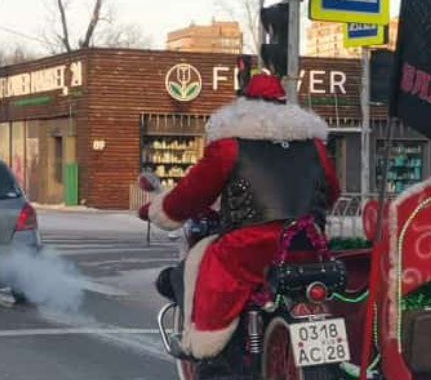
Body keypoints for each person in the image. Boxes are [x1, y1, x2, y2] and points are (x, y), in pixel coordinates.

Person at [140, 73, 340, 358]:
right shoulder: (315, 147)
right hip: (306, 241)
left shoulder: (229, 146)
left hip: (248, 245)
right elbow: (332, 192)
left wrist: (159, 210)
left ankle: (203, 345)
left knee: (202, 265)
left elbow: (192, 193)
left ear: (243, 105)